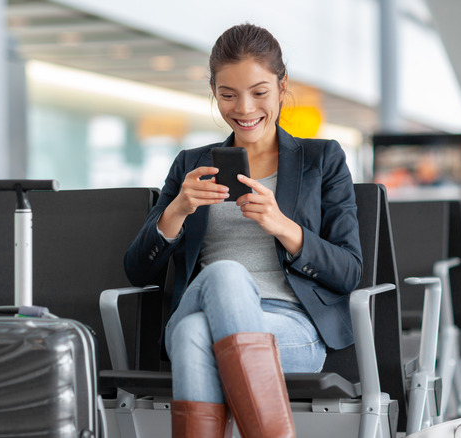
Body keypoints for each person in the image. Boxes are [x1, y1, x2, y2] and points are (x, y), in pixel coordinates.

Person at [124, 23, 363, 438]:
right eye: (228, 94)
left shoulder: (321, 159)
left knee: (195, 334)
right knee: (224, 274)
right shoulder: (189, 164)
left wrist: (283, 227)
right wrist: (178, 209)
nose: (245, 108)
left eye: (259, 92)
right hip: (206, 305)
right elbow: (137, 270)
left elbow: (348, 271)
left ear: (282, 85)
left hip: (293, 330)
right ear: (214, 91)